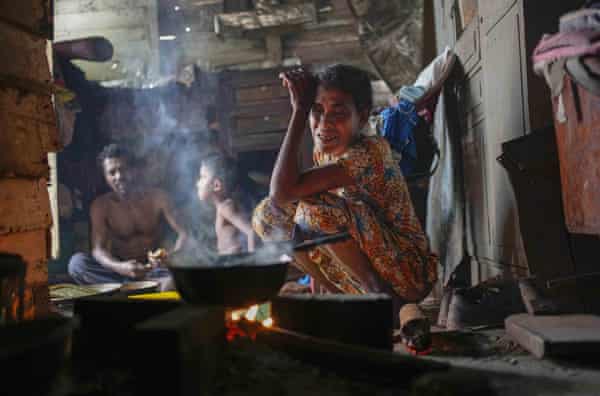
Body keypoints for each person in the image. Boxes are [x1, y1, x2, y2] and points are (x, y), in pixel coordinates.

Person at [252, 64, 439, 315]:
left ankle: (385, 303)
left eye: (338, 113)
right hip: (367, 269)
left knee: (312, 210)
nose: (324, 123)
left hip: (408, 273)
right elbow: (280, 204)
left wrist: (299, 111)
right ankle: (341, 299)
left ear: (361, 117)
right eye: (316, 111)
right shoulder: (323, 153)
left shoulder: (370, 152)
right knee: (267, 216)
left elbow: (283, 192)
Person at [68, 144, 188, 285]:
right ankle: (138, 287)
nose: (119, 176)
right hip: (120, 273)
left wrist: (170, 257)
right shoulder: (101, 206)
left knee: (183, 272)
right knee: (77, 264)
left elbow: (185, 234)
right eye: (112, 173)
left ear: (134, 170)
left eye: (123, 169)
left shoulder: (158, 197)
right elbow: (98, 250)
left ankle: (133, 288)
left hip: (156, 270)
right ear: (105, 177)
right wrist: (120, 267)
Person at [196, 155, 257, 254]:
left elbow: (251, 232)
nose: (197, 183)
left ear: (216, 185)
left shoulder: (226, 207)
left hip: (235, 263)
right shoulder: (221, 208)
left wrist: (253, 261)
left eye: (203, 177)